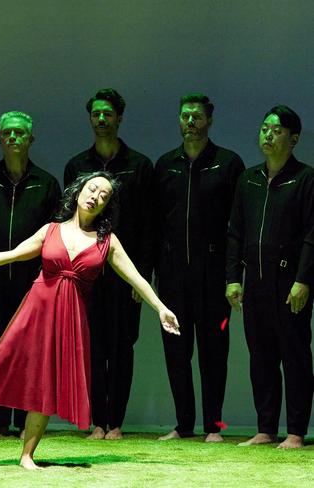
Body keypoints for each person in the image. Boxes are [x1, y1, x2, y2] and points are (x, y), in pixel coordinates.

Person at [0, 172, 180, 469]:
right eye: (92, 189)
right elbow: (14, 254)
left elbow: (137, 278)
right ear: (78, 192)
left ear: (107, 207)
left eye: (104, 196)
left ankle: (27, 455)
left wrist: (160, 308)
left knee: (45, 385)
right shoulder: (51, 230)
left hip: (69, 318)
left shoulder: (107, 242)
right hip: (35, 311)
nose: (95, 196)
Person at [154, 93, 245, 442]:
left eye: (197, 116)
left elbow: (237, 223)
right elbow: (156, 222)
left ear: (209, 120)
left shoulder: (228, 163)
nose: (190, 121)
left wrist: (232, 275)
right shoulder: (166, 165)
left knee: (213, 352)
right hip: (174, 274)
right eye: (185, 116)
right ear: (179, 120)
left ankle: (214, 427)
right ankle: (183, 425)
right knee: (176, 351)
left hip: (212, 273)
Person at [64, 89, 154, 440]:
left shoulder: (140, 165)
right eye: (95, 114)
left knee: (121, 347)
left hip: (123, 274)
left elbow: (149, 226)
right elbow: (68, 219)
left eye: (107, 114)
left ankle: (115, 422)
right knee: (90, 346)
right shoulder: (77, 166)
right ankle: (96, 421)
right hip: (87, 272)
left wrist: (139, 277)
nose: (101, 120)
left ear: (119, 118)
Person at [0, 111, 60, 440]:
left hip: (31, 284)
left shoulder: (47, 184)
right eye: (7, 133)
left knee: (28, 354)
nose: (13, 138)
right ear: (0, 138)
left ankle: (23, 423)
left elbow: (55, 238)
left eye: (20, 133)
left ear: (31, 139)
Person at [226, 105, 314, 449]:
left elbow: (312, 234)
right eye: (265, 128)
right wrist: (233, 278)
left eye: (276, 130)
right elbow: (235, 232)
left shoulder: (306, 179)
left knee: (294, 355)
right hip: (256, 283)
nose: (268, 135)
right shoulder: (248, 179)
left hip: (290, 283)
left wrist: (304, 279)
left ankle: (295, 431)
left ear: (293, 139)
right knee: (260, 355)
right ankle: (265, 428)